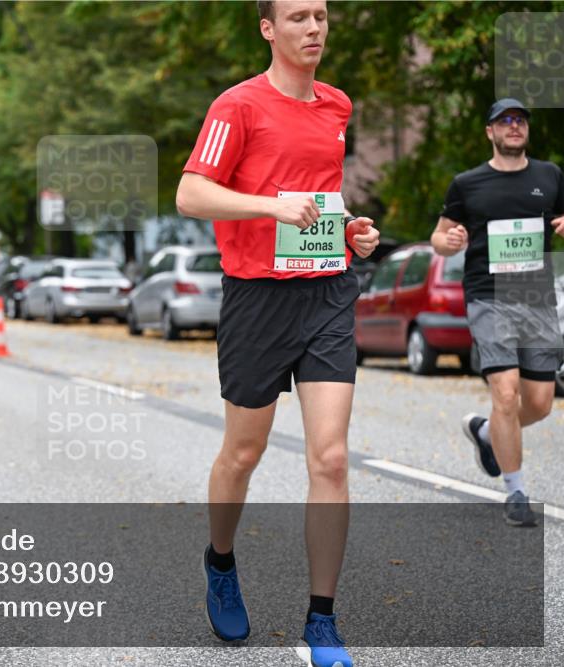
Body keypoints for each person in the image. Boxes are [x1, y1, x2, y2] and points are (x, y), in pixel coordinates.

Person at [174, 2, 380, 665]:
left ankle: (322, 621)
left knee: (332, 458)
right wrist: (271, 206)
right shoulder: (237, 107)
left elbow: (320, 202)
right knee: (243, 452)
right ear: (268, 28)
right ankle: (220, 560)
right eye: (297, 18)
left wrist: (352, 233)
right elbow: (191, 195)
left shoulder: (337, 105)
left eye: (320, 15)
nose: (314, 28)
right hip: (257, 298)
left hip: (326, 292)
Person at [431, 98, 564, 527]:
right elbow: (438, 237)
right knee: (505, 394)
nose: (514, 126)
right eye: (504, 120)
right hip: (489, 296)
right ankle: (516, 492)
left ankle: (487, 433)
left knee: (540, 403)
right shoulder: (467, 184)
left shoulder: (549, 175)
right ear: (490, 131)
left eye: (520, 120)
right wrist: (448, 242)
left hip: (537, 298)